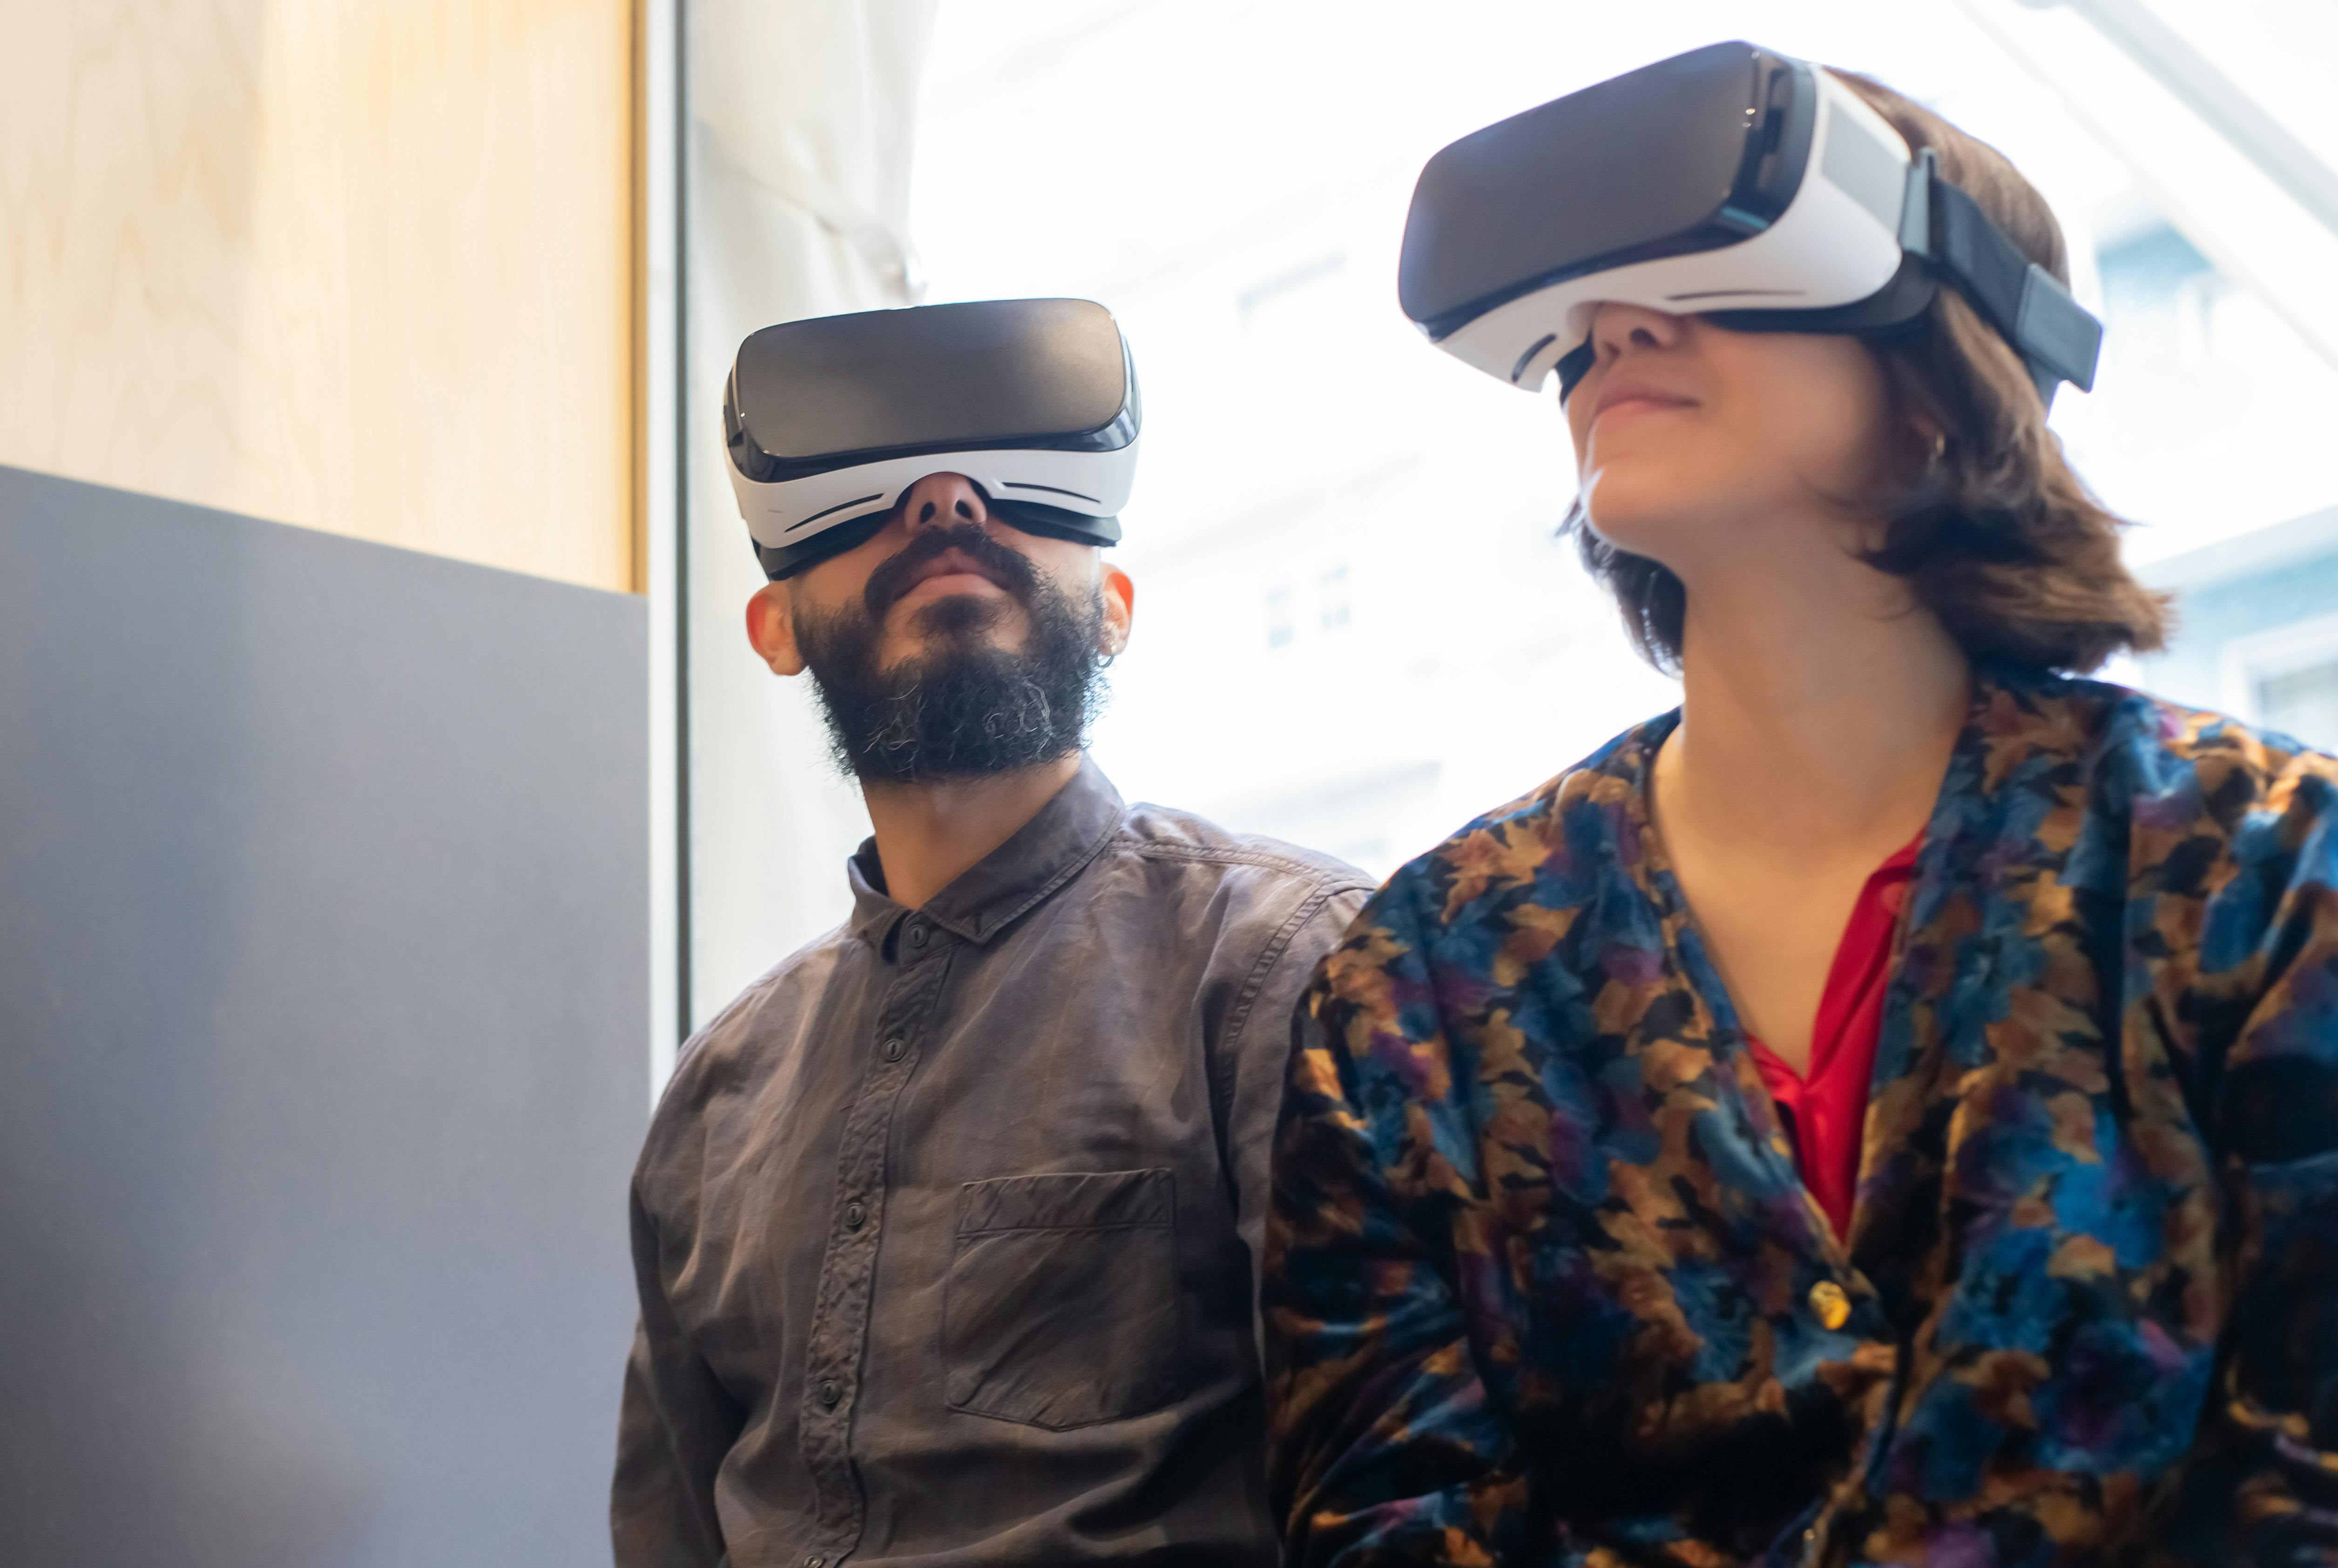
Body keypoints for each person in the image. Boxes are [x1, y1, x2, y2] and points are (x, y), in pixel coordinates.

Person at [1264, 66, 2338, 1567]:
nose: (1612, 329)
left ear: (1948, 365)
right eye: (1584, 312)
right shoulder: (1423, 985)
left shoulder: (2260, 871)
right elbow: (1383, 1517)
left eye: (1721, 266)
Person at [612, 300, 1372, 1568]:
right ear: (776, 631)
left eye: (1005, 493)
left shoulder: (1286, 967)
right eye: (882, 492)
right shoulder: (718, 1100)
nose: (948, 503)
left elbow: (1408, 1488)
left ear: (1116, 608)